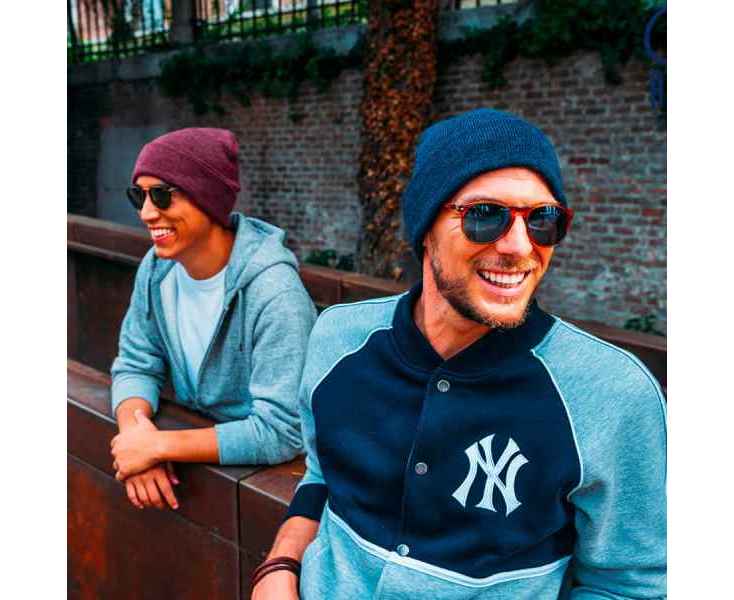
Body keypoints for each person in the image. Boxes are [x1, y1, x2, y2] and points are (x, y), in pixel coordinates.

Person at [252, 109, 666, 599]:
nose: (520, 246)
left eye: (543, 219)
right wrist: (279, 565)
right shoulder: (338, 338)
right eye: (485, 215)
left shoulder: (612, 394)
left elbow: (631, 585)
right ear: (425, 228)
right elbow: (323, 473)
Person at [109, 127, 316, 512]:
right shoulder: (156, 270)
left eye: (162, 195)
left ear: (208, 197)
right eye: (139, 196)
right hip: (197, 471)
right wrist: (136, 438)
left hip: (265, 494)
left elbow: (282, 431)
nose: (146, 212)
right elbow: (136, 363)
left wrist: (158, 445)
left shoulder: (275, 293)